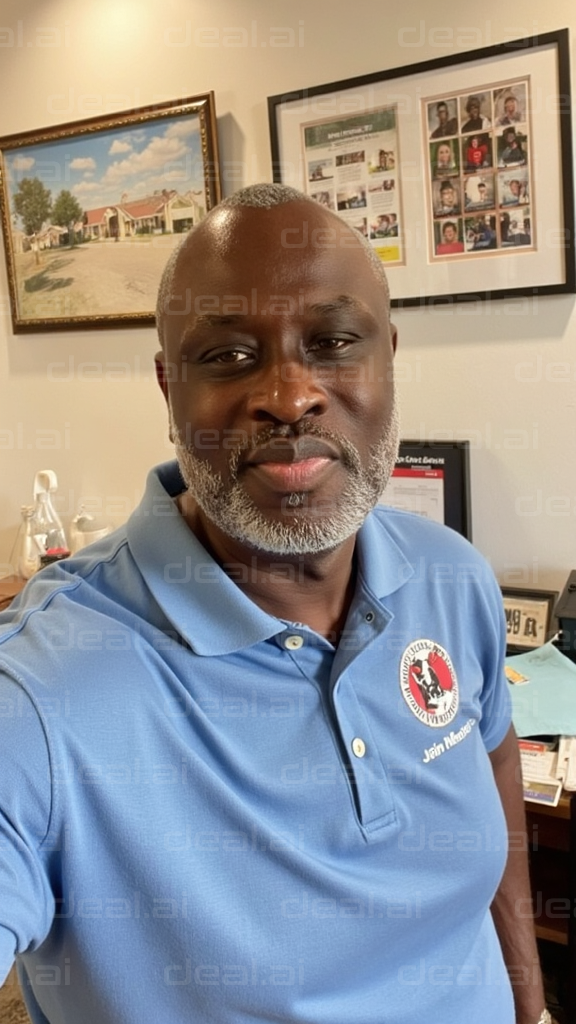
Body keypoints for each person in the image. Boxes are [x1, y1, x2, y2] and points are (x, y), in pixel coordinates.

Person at [0, 183, 550, 1024]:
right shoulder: (43, 694)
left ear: (387, 356)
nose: (290, 396)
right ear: (167, 386)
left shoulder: (452, 576)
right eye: (226, 355)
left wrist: (528, 999)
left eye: (331, 341)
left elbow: (493, 760)